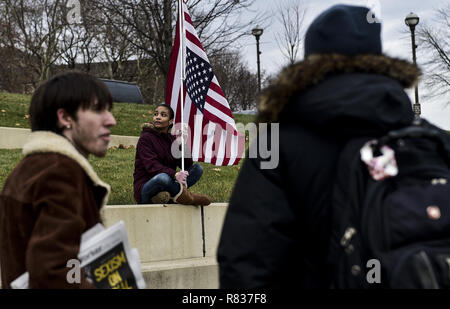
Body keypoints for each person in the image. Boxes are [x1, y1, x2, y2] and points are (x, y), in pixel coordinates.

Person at [217, 4, 420, 288]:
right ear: (377, 57)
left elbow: (246, 259)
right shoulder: (424, 138)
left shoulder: (276, 140)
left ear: (311, 61)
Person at [0, 71, 116, 288]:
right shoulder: (60, 172)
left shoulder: (29, 169)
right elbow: (54, 274)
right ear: (65, 118)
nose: (111, 121)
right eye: (98, 109)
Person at [133, 103, 211, 206]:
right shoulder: (146, 138)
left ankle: (168, 195)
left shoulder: (172, 140)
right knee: (163, 178)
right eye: (156, 114)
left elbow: (187, 165)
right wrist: (174, 174)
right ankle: (188, 197)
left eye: (163, 115)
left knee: (197, 169)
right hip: (148, 185)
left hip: (169, 182)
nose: (158, 117)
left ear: (170, 121)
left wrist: (182, 144)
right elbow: (152, 166)